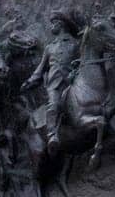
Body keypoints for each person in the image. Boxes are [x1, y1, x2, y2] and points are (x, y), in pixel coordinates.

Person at [21, 9, 84, 151]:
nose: (51, 27)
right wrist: (30, 82)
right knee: (53, 105)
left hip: (73, 80)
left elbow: (82, 61)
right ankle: (52, 135)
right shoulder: (49, 48)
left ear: (60, 24)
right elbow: (40, 69)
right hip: (55, 84)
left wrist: (76, 70)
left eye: (53, 23)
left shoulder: (75, 43)